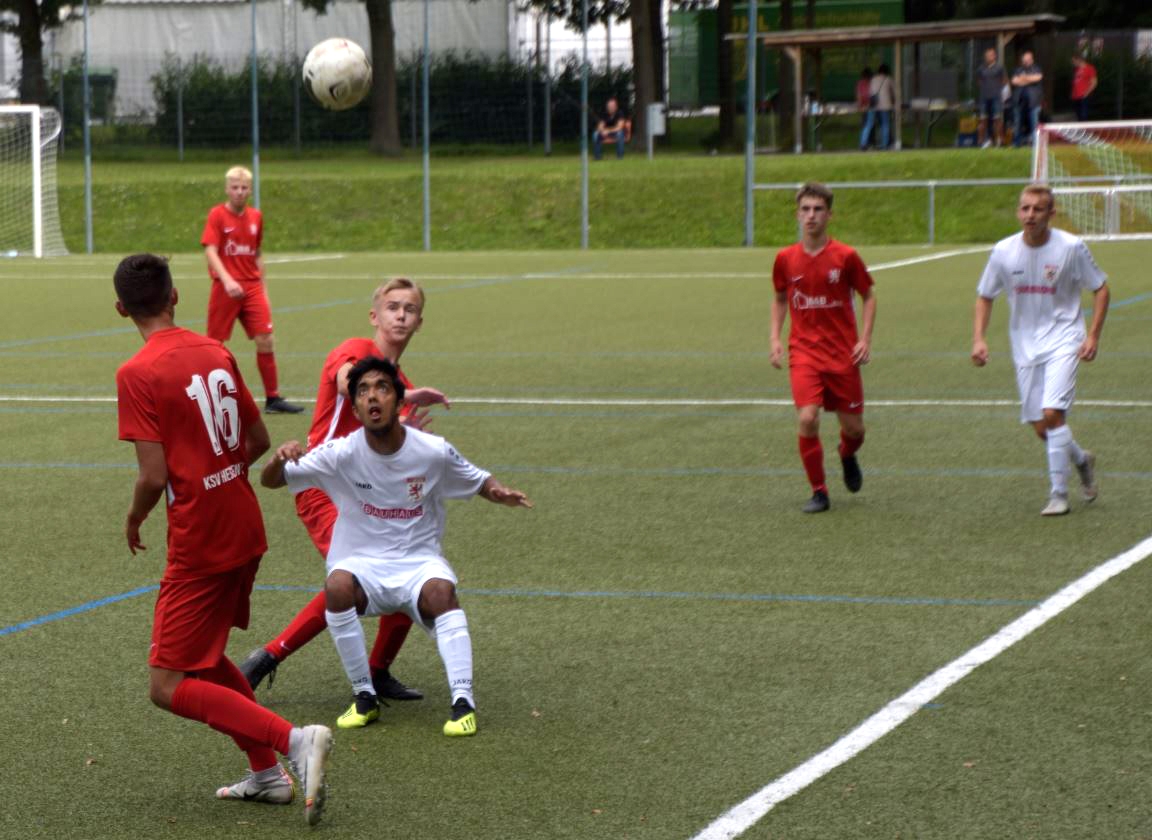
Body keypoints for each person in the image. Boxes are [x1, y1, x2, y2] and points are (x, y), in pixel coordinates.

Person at [113, 253, 331, 825]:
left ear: (121, 310)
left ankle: (295, 740)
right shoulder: (216, 350)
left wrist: (135, 517)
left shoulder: (136, 372)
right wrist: (218, 473)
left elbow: (153, 476)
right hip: (243, 522)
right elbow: (256, 440)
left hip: (201, 538)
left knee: (166, 683)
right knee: (204, 657)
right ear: (175, 296)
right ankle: (267, 775)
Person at [261, 356, 533, 736]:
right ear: (355, 409)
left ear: (399, 400)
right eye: (363, 391)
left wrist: (497, 492)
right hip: (362, 564)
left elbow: (476, 478)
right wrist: (278, 458)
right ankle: (365, 696)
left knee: (442, 592)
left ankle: (463, 703)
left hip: (418, 564)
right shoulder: (341, 453)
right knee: (336, 586)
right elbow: (271, 481)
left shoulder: (432, 450)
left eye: (382, 388)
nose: (372, 397)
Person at [239, 278, 450, 702]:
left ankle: (378, 671)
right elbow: (349, 382)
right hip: (322, 488)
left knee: (412, 561)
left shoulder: (398, 381)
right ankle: (267, 657)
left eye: (409, 309)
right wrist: (405, 397)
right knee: (354, 577)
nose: (401, 315)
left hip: (367, 494)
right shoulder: (357, 350)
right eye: (392, 307)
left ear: (419, 322)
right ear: (375, 316)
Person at [971, 184, 1109, 516]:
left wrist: (1092, 336)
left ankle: (1058, 495)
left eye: (1037, 209)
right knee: (1041, 428)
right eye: (1025, 208)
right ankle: (1081, 460)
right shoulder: (1003, 251)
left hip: (1064, 337)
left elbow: (1101, 288)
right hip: (1025, 345)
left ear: (1051, 213)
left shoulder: (1071, 247)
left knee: (1052, 413)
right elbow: (985, 295)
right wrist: (979, 338)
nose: (1030, 215)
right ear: (1018, 212)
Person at [770, 183, 877, 513]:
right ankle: (819, 491)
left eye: (818, 209)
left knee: (855, 430)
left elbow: (868, 296)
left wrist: (864, 339)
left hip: (843, 355)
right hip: (804, 353)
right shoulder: (785, 259)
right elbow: (780, 298)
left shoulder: (845, 256)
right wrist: (774, 338)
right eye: (805, 209)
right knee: (807, 418)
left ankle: (846, 454)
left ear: (830, 215)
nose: (811, 215)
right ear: (797, 214)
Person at [201, 165, 303, 415]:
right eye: (235, 187)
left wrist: (263, 290)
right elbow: (210, 251)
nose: (239, 191)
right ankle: (209, 396)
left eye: (244, 187)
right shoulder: (217, 215)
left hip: (252, 287)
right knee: (215, 344)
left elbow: (256, 253)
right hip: (225, 287)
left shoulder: (256, 217)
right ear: (227, 189)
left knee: (266, 339)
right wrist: (227, 280)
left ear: (250, 190)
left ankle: (273, 398)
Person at [1011, 51, 1044, 147]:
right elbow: (1014, 81)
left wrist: (1023, 78)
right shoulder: (1018, 70)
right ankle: (1017, 143)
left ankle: (1035, 144)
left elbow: (1038, 78)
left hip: (1033, 102)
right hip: (1019, 101)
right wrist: (1029, 80)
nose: (1026, 62)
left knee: (1034, 124)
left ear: (1032, 60)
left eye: (1028, 60)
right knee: (1017, 123)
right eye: (1024, 60)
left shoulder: (1036, 68)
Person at [976, 48, 1007, 148]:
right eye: (987, 55)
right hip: (984, 97)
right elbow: (979, 81)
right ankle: (981, 142)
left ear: (994, 56)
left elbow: (1004, 81)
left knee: (997, 119)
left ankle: (1000, 140)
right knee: (983, 119)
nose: (988, 57)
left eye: (990, 55)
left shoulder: (999, 68)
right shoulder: (981, 68)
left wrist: (997, 89)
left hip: (996, 97)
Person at [859, 64, 893, 151]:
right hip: (885, 105)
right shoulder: (888, 79)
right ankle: (885, 144)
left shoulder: (873, 79)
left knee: (868, 124)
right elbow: (894, 92)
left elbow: (870, 92)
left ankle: (863, 143)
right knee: (885, 124)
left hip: (873, 105)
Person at [1071, 55, 1098, 122]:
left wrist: (1086, 93)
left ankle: (1085, 128)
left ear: (1079, 60)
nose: (1073, 63)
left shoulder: (1089, 68)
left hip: (1084, 96)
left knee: (1084, 116)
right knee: (1078, 116)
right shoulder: (1076, 70)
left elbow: (1094, 82)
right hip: (1076, 96)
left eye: (1074, 61)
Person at [855, 68, 876, 149]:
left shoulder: (860, 83)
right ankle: (864, 143)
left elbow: (859, 95)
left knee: (865, 125)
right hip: (869, 105)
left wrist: (859, 105)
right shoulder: (870, 83)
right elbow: (871, 94)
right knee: (869, 124)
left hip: (863, 106)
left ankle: (866, 142)